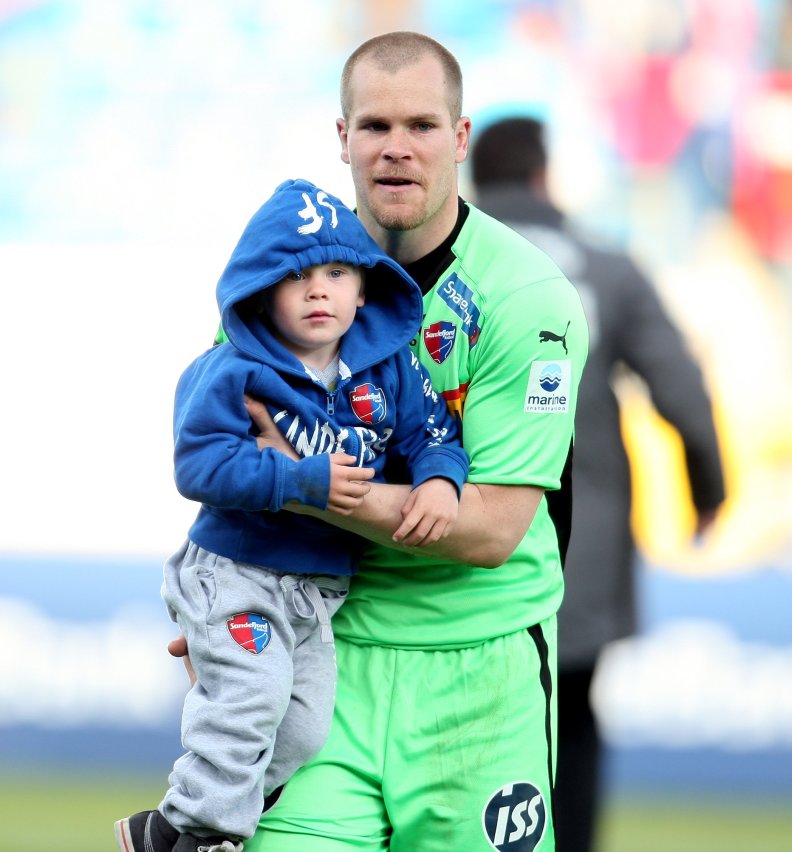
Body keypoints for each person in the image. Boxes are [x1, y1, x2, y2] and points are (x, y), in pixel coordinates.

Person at [171, 32, 587, 852]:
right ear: (343, 138)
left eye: (423, 126)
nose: (396, 149)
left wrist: (314, 483)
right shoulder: (279, 286)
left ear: (460, 138)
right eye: (375, 127)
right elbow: (224, 459)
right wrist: (221, 604)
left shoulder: (525, 294)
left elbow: (491, 528)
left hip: (482, 669)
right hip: (321, 648)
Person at [116, 177, 469, 852]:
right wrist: (296, 478)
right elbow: (198, 467)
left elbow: (432, 436)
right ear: (261, 289)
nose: (318, 290)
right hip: (236, 570)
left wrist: (440, 482)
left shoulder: (387, 365)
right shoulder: (232, 370)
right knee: (251, 700)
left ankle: (167, 830)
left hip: (318, 590)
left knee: (302, 728)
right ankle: (209, 837)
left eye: (337, 272)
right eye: (296, 275)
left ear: (364, 286)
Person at [470, 116, 726, 852]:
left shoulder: (447, 271)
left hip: (459, 548)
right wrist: (710, 492)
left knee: (466, 727)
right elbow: (681, 391)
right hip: (578, 547)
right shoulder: (609, 267)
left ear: (473, 180)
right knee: (572, 720)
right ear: (545, 176)